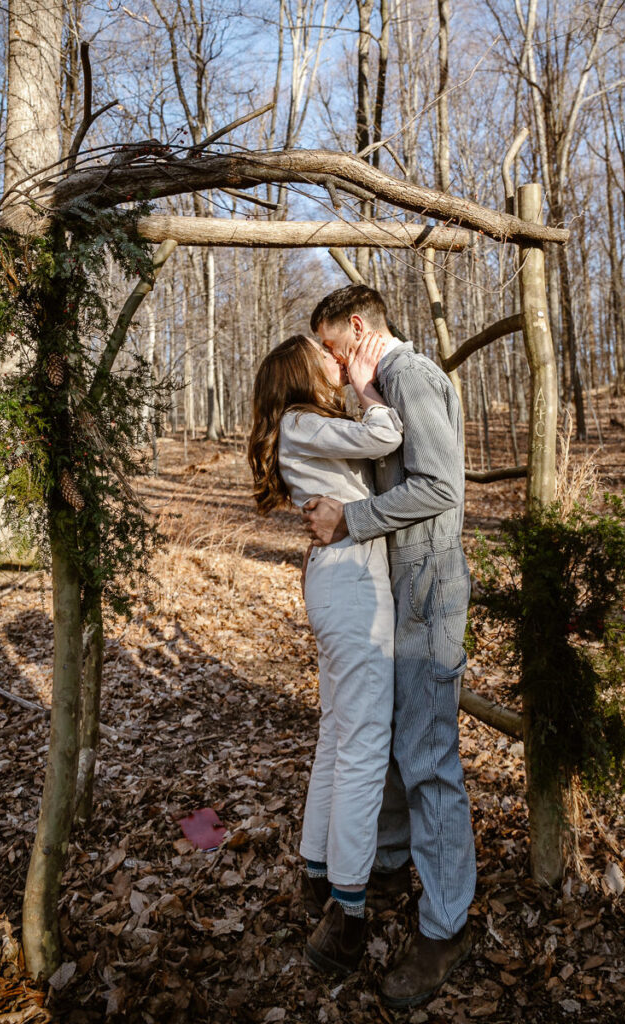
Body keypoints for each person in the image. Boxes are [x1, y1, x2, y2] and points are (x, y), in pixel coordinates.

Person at [303, 284, 475, 1010]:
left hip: (427, 589)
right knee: (392, 744)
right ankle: (394, 870)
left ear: (357, 327)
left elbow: (439, 487)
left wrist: (351, 518)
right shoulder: (380, 386)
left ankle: (444, 928)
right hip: (395, 589)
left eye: (336, 352)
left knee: (428, 757)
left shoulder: (407, 375)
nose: (337, 372)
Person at [248, 331, 403, 975]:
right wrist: (368, 384)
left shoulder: (298, 424)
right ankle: (346, 912)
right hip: (350, 581)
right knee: (363, 744)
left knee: (339, 733)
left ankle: (318, 872)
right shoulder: (303, 419)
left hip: (336, 576)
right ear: (298, 374)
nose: (335, 364)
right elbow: (387, 435)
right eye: (325, 358)